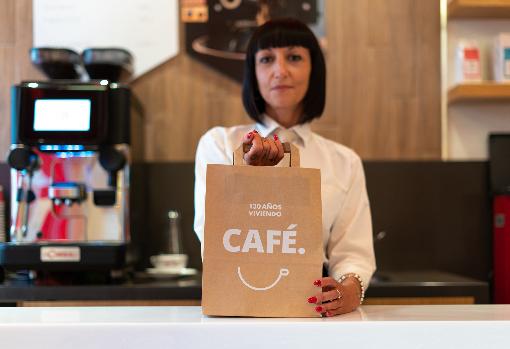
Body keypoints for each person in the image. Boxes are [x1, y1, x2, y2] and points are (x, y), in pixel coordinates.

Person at [194, 18, 376, 317]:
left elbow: (353, 252)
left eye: (294, 57)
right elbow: (212, 237)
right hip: (235, 313)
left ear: (313, 69)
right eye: (266, 59)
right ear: (253, 72)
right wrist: (249, 177)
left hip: (310, 313)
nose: (280, 70)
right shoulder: (220, 145)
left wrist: (350, 290)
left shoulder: (344, 162)